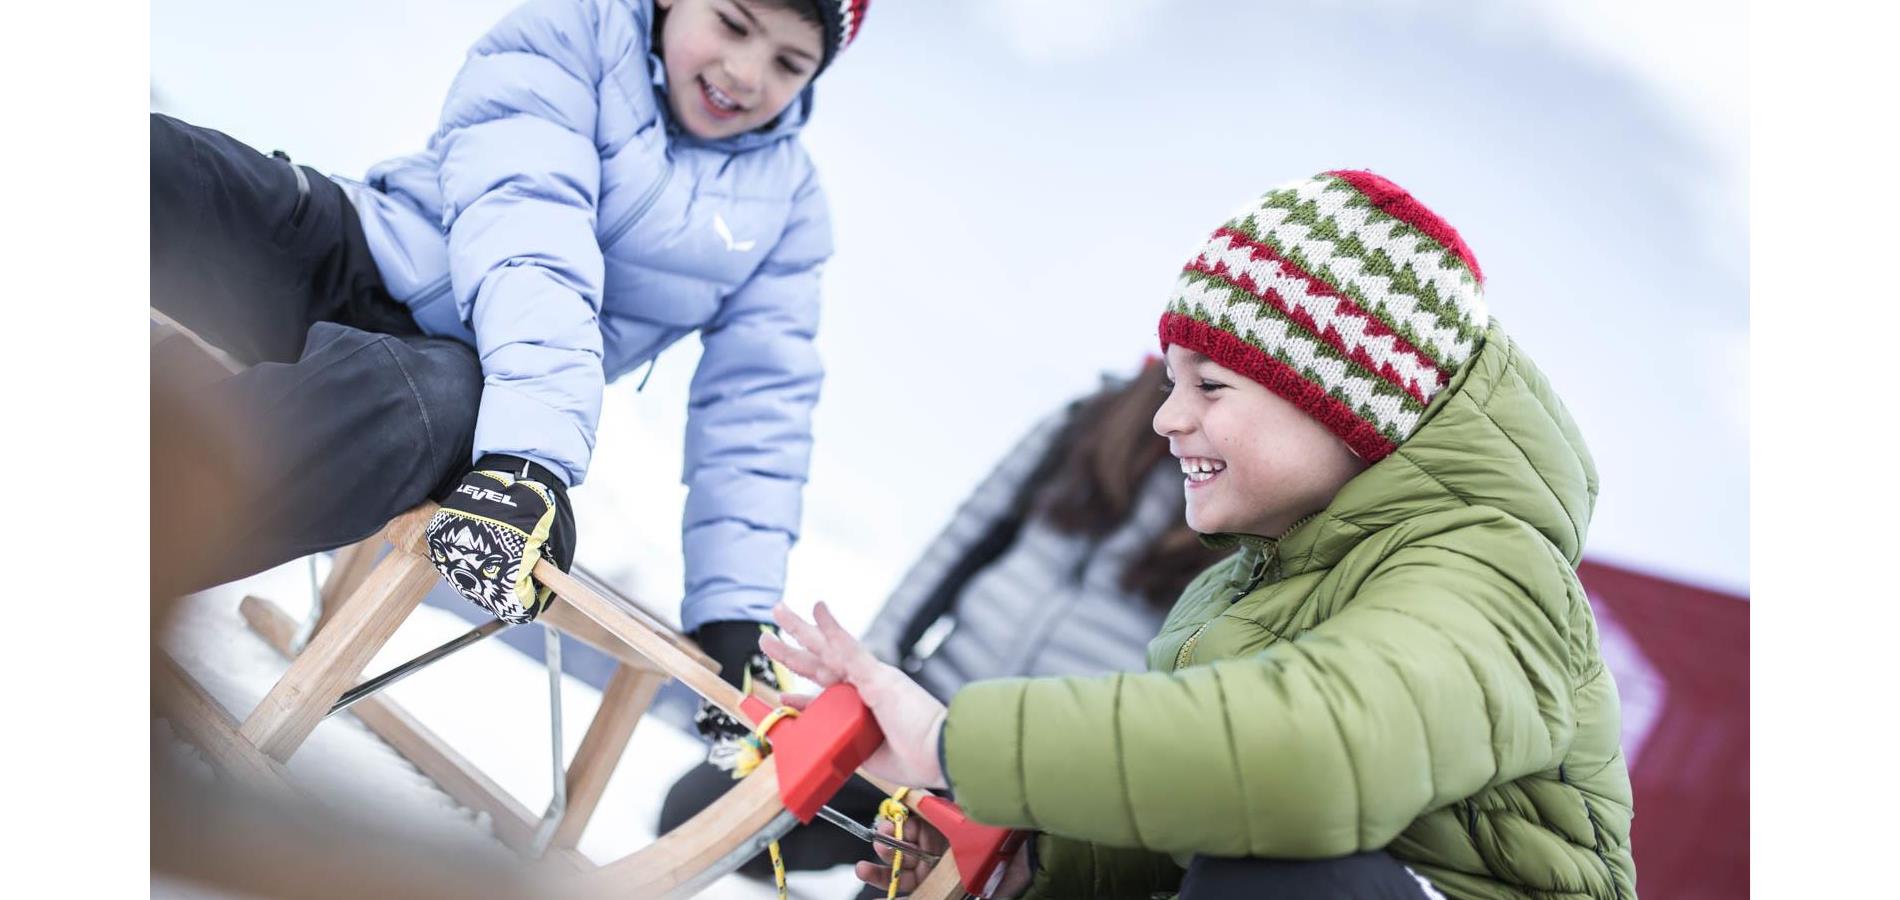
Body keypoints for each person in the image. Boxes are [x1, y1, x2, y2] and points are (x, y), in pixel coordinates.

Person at [761, 171, 1637, 899]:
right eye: (1171, 383)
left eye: (1210, 386)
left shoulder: (1490, 570)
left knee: (1286, 876)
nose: (1167, 420)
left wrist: (960, 744)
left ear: (1344, 405)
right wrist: (1028, 867)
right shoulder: (1243, 584)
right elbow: (1198, 817)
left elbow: (1309, 757)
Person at [148, 0, 874, 756]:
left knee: (417, 404)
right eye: (731, 22)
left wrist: (735, 616)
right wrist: (536, 454)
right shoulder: (575, 32)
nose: (747, 74)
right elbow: (530, 228)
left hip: (468, 388)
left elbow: (757, 412)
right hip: (358, 250)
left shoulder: (787, 210)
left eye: (791, 63)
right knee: (164, 169)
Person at [656, 359, 1223, 883]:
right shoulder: (1088, 417)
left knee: (905, 886)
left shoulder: (1239, 491)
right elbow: (964, 541)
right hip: (926, 703)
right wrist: (874, 671)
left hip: (1041, 768)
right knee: (697, 812)